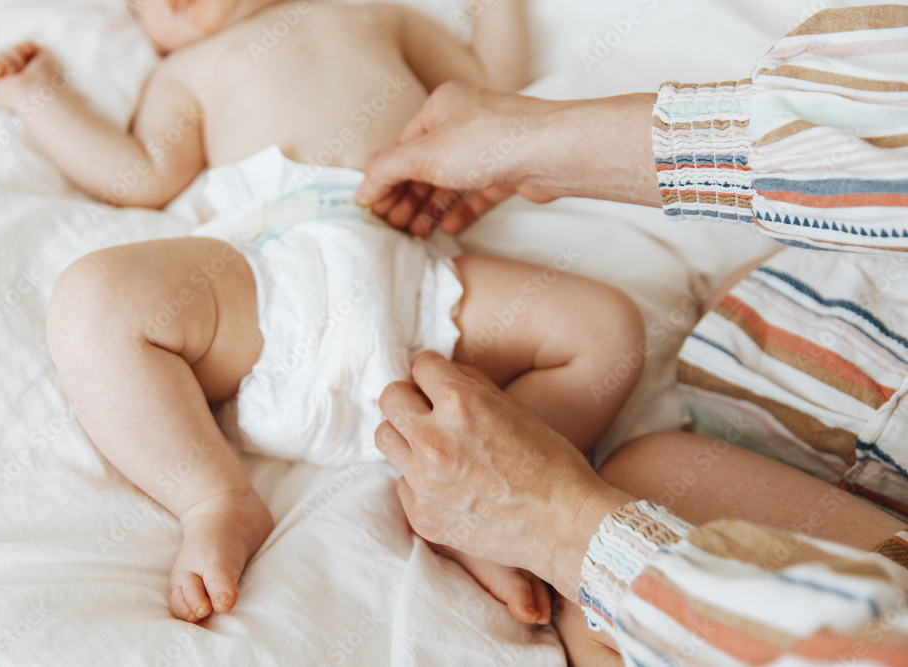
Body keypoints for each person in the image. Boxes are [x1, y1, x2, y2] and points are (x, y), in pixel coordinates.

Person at [0, 0, 653, 627]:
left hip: (418, 277)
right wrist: (42, 100)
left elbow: (487, 85)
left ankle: (475, 493)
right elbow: (141, 174)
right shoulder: (185, 72)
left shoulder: (373, 13)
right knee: (94, 297)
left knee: (608, 328)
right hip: (269, 283)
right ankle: (215, 499)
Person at [360, 5, 908, 664]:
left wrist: (556, 521)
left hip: (782, 362)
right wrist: (547, 142)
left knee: (629, 411)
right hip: (802, 295)